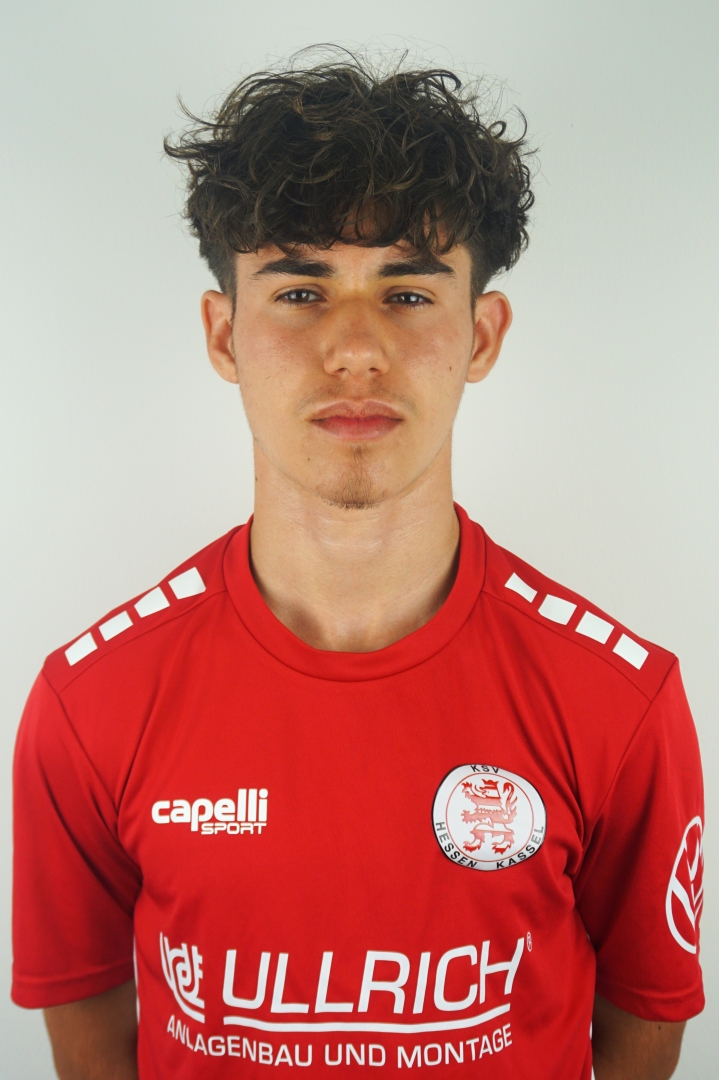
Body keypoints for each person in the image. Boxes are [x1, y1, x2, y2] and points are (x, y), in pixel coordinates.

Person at [12, 53, 704, 1080]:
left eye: (407, 292)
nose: (353, 350)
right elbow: (87, 1019)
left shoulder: (618, 701)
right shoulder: (89, 704)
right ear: (223, 335)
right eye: (298, 290)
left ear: (480, 335)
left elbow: (644, 1020)